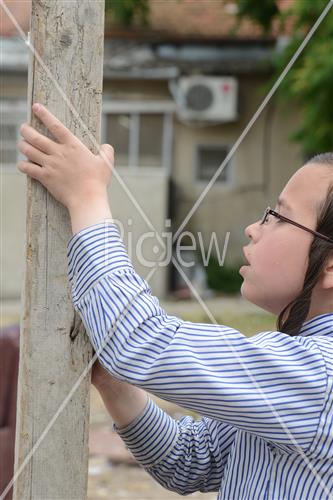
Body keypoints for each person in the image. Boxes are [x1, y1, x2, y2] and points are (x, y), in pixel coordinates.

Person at [17, 103, 333, 499]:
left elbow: (143, 342)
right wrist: (115, 384)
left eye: (279, 217)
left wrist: (87, 198)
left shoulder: (319, 375)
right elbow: (192, 460)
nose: (255, 228)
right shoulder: (295, 374)